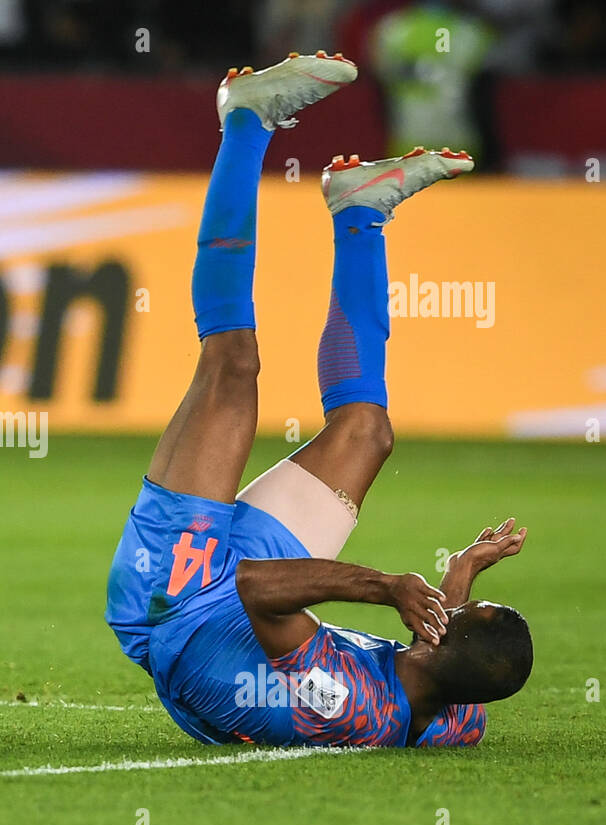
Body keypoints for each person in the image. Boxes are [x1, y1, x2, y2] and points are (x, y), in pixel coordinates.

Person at [104, 52, 532, 748]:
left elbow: (258, 589)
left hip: (178, 606)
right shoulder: (461, 714)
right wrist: (457, 575)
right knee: (367, 434)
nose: (445, 611)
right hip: (246, 602)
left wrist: (386, 585)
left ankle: (245, 118)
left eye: (451, 615)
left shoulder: (344, 704)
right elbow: (456, 663)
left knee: (232, 366)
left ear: (432, 644)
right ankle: (361, 211)